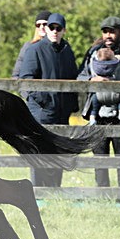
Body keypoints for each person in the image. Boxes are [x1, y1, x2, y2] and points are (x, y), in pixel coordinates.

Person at [77, 16, 120, 188]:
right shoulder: (93, 52)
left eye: (112, 31)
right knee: (99, 159)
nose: (108, 35)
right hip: (98, 115)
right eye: (105, 31)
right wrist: (92, 80)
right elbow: (81, 76)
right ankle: (102, 193)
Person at [18, 12, 78, 187]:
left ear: (63, 30)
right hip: (41, 111)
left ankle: (54, 189)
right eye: (51, 27)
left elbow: (73, 78)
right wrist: (44, 101)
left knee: (59, 150)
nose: (54, 31)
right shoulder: (34, 49)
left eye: (58, 28)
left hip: (62, 111)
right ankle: (38, 189)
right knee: (39, 149)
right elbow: (26, 80)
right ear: (46, 28)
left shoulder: (67, 50)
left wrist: (71, 104)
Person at [12, 10, 51, 79]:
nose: (41, 27)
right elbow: (16, 72)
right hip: (31, 87)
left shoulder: (59, 47)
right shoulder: (29, 46)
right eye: (38, 25)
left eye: (45, 24)